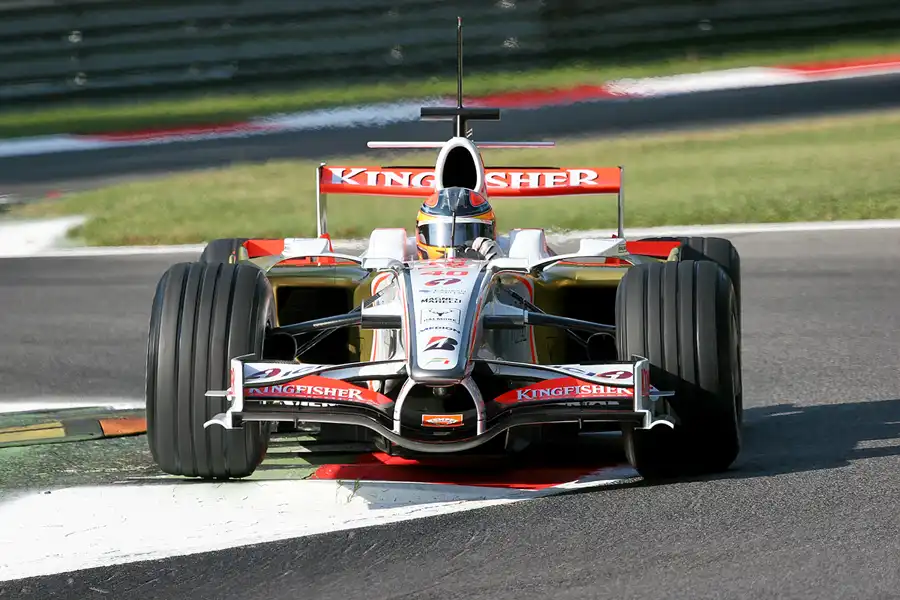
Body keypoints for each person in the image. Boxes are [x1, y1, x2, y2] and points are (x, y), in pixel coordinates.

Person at [415, 187, 503, 260]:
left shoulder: (504, 252)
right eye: (446, 234)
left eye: (467, 234)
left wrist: (497, 263)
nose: (454, 252)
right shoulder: (408, 255)